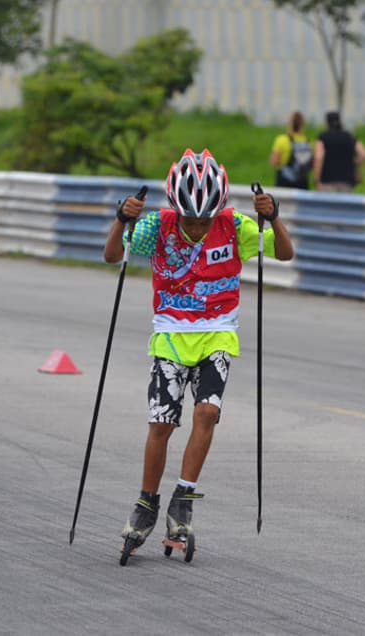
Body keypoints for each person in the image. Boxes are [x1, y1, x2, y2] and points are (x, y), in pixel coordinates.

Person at [104, 148, 294, 552]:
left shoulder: (234, 226)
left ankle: (183, 502)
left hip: (218, 332)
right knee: (162, 425)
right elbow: (112, 256)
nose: (196, 226)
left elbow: (284, 253)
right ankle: (146, 503)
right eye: (189, 219)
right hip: (171, 334)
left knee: (206, 412)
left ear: (218, 211)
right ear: (175, 208)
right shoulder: (157, 226)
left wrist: (273, 217)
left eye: (204, 220)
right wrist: (122, 220)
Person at [312, 111, 365, 192]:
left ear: (327, 123)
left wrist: (317, 179)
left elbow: (319, 157)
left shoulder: (323, 137)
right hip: (346, 182)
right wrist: (354, 164)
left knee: (329, 204)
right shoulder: (349, 136)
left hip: (327, 181)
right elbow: (364, 154)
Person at [269, 111, 313, 189]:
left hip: (284, 181)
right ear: (302, 125)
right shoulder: (308, 142)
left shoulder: (281, 140)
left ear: (290, 123)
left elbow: (274, 161)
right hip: (302, 182)